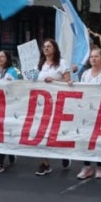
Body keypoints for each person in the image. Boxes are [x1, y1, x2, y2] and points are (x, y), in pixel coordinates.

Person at [34, 39, 73, 176]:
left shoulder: (61, 63)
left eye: (49, 46)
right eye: (44, 46)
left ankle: (64, 154)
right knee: (40, 132)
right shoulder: (39, 65)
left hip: (57, 104)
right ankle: (45, 164)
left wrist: (54, 81)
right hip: (41, 105)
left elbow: (69, 81)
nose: (46, 48)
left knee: (56, 132)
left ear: (54, 49)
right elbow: (33, 81)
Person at [76, 48, 101, 180]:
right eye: (91, 57)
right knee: (86, 138)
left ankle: (100, 166)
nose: (93, 59)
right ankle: (86, 166)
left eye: (96, 57)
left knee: (99, 139)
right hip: (88, 111)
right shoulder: (85, 74)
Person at [0, 50, 21, 175]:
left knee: (3, 132)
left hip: (10, 106)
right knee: (3, 132)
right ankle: (10, 151)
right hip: (0, 106)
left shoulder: (12, 71)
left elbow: (11, 85)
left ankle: (0, 162)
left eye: (2, 56)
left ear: (7, 58)